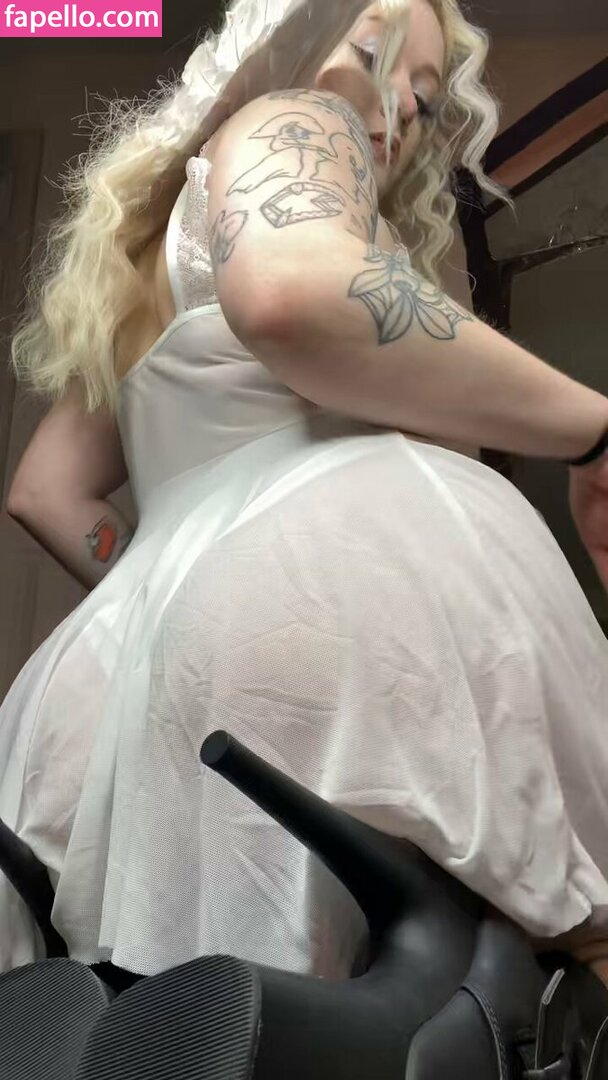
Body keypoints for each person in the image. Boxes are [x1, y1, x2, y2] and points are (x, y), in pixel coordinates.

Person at [2, 0, 608, 990]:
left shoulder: (162, 251)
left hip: (115, 685)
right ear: (294, 33)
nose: (398, 109)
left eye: (424, 99)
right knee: (542, 972)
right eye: (378, 57)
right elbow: (293, 291)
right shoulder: (300, 119)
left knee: (204, 1018)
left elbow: (46, 492)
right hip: (335, 610)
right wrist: (594, 431)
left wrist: (181, 602)